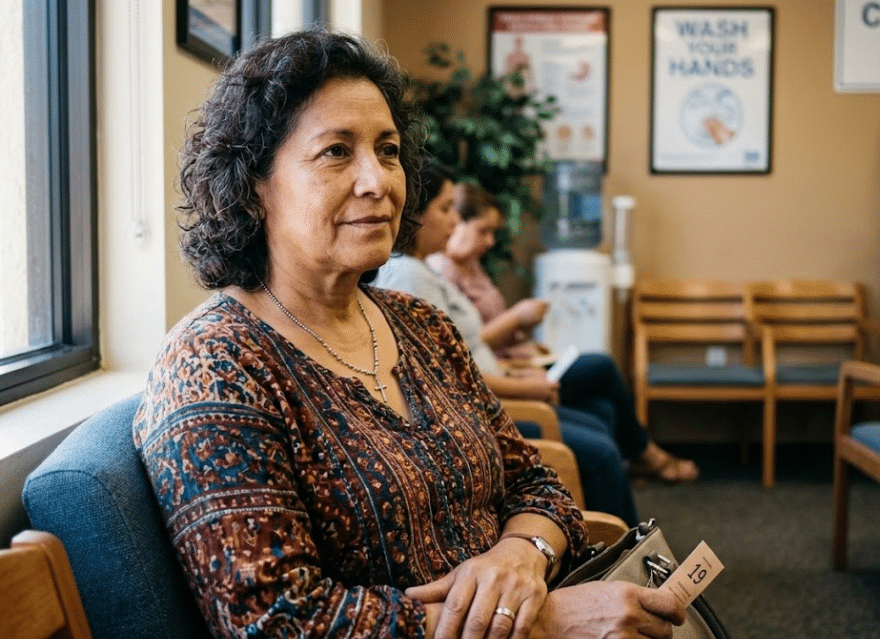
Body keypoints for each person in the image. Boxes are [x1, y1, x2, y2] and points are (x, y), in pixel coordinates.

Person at [133, 30, 684, 639]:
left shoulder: (420, 323)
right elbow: (278, 623)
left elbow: (534, 481)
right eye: (336, 152)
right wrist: (543, 621)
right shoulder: (215, 365)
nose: (379, 181)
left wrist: (522, 554)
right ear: (253, 184)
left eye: (388, 150)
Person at [375, 160, 643, 526]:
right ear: (415, 214)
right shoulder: (408, 275)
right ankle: (620, 558)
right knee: (601, 450)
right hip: (482, 411)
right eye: (445, 208)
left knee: (599, 421)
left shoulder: (422, 272)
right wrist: (525, 386)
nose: (455, 220)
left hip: (492, 396)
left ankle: (616, 547)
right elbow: (443, 379)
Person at [427, 183, 699, 484]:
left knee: (604, 408)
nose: (490, 241)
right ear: (458, 223)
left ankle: (618, 475)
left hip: (520, 363)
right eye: (483, 230)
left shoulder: (472, 267)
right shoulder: (439, 272)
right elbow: (465, 345)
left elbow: (484, 332)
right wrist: (516, 318)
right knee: (601, 365)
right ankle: (647, 456)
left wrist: (521, 330)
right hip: (510, 376)